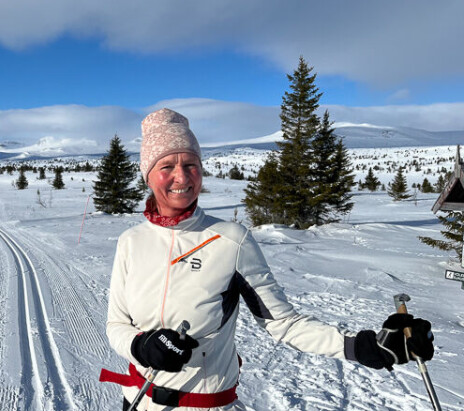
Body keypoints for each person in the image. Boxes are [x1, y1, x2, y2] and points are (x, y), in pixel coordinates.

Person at [99, 108, 435, 411]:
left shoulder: (229, 240)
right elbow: (116, 325)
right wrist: (141, 347)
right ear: (148, 173)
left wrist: (366, 346)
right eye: (167, 166)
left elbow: (283, 323)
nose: (183, 178)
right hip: (136, 400)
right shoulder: (131, 242)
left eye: (191, 165)